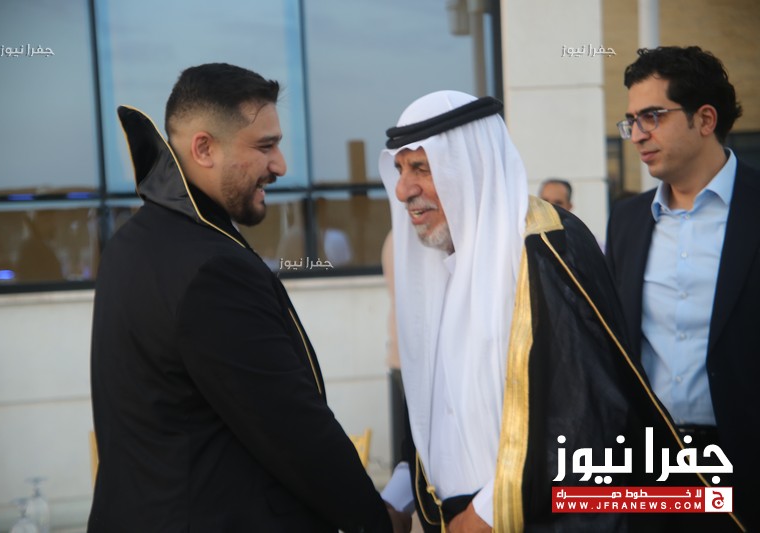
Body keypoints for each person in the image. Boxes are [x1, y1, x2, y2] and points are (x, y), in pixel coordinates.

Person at [378, 90, 743, 532]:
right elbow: (433, 407)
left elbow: (584, 409)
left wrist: (487, 513)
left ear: (470, 165)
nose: (404, 190)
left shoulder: (549, 248)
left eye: (421, 168)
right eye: (400, 169)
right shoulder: (436, 263)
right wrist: (400, 494)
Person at [89, 63, 409, 532]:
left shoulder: (131, 243)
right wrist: (375, 520)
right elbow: (291, 428)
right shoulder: (211, 268)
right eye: (265, 146)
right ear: (204, 148)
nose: (280, 166)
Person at [606, 45, 758, 532]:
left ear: (705, 119)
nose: (637, 134)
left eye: (652, 116)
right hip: (649, 467)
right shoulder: (626, 222)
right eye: (631, 121)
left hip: (745, 467)